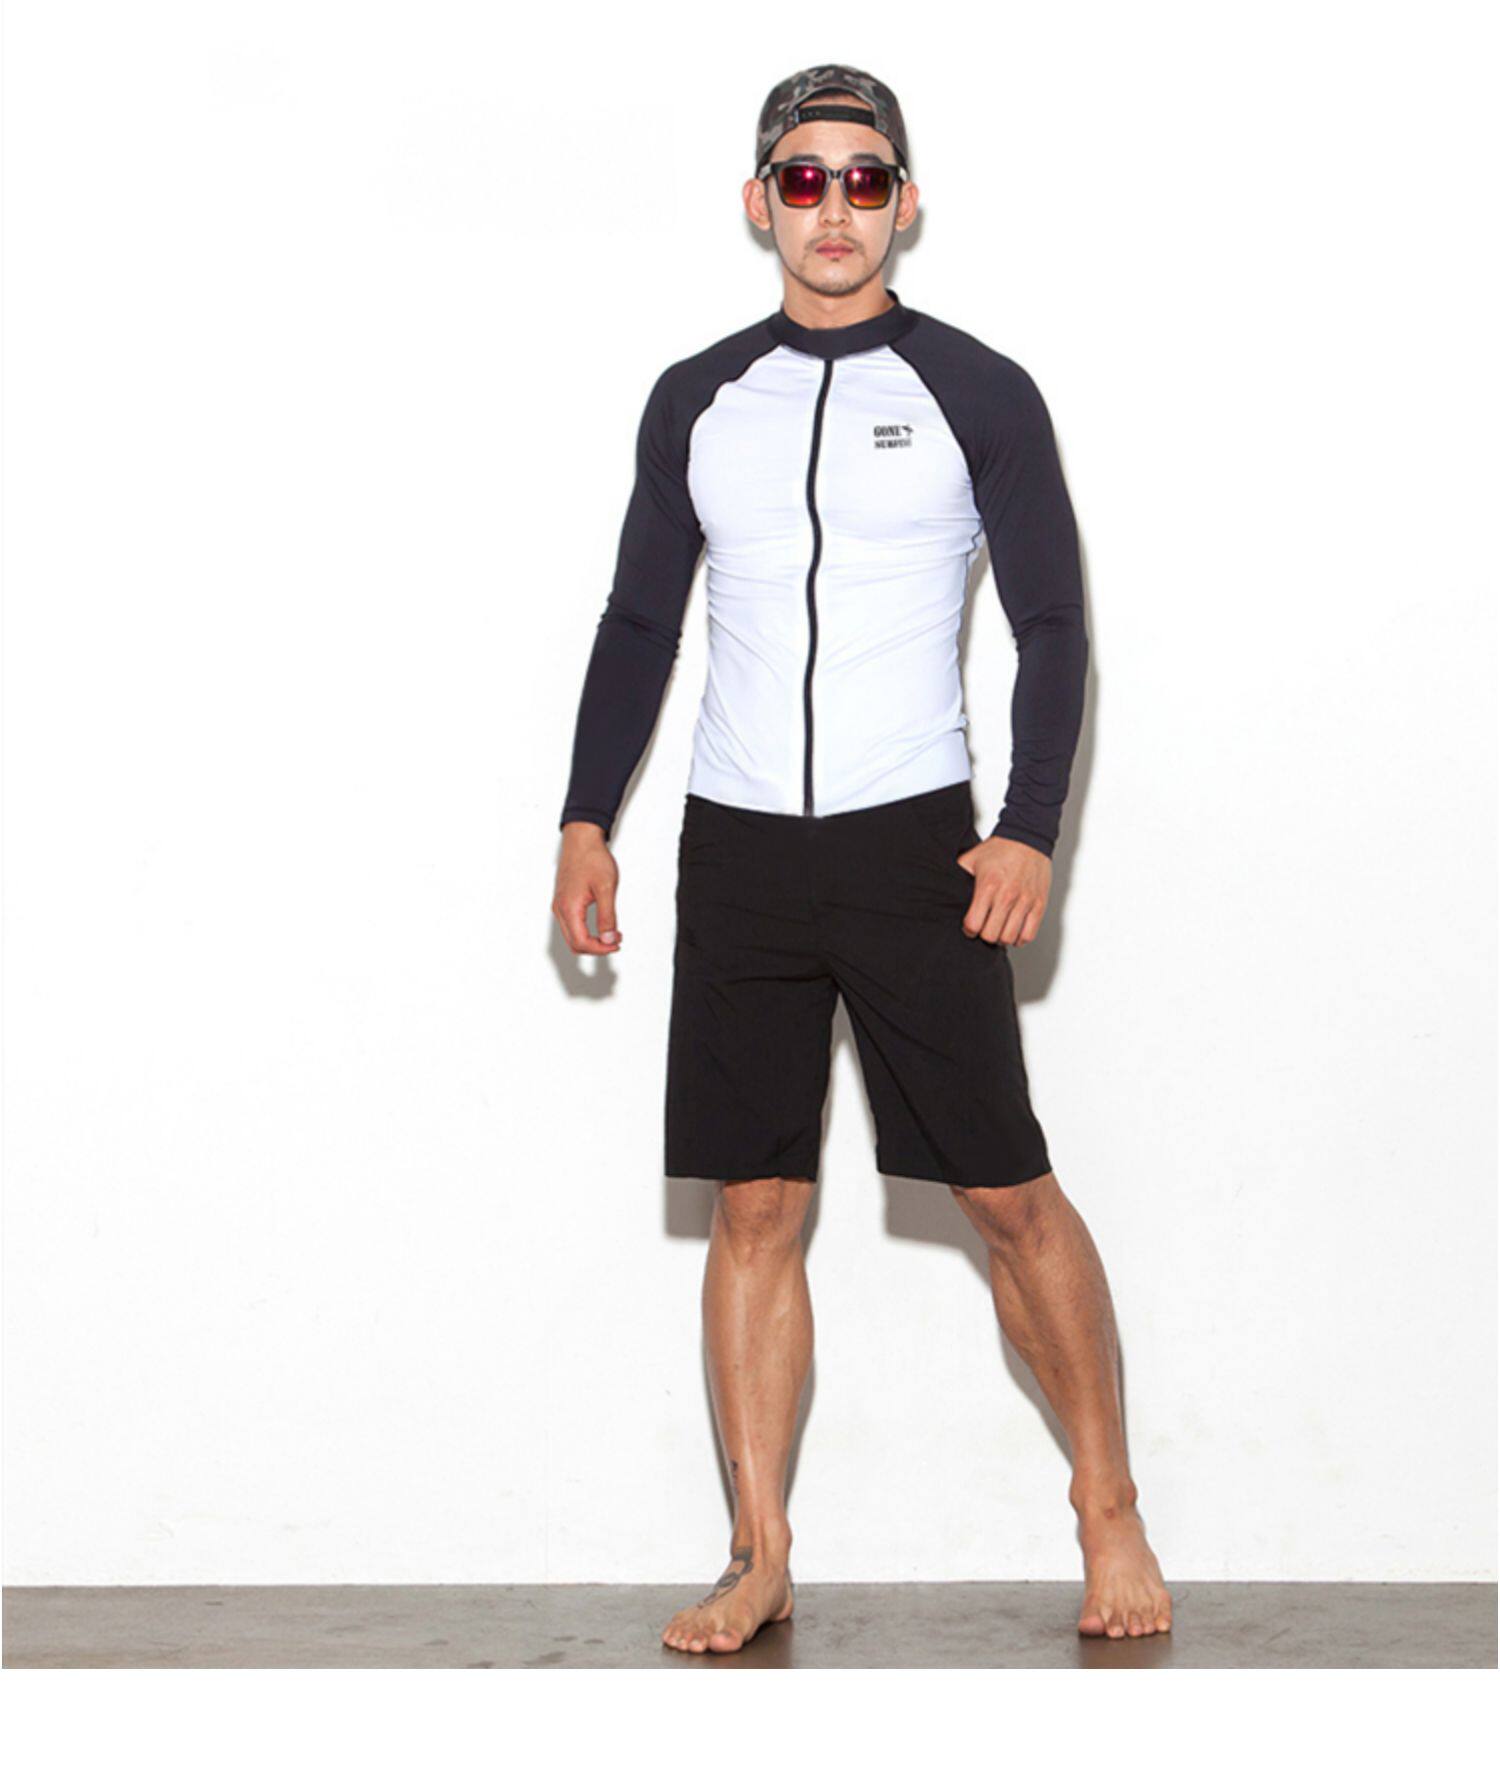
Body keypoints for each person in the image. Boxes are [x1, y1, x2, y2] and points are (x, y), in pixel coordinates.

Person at [553, 64, 1171, 1654]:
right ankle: (757, 1550)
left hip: (917, 847)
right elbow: (639, 621)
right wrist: (584, 817)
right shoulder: (698, 398)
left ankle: (1109, 1506)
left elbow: (1052, 626)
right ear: (759, 201)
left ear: (907, 202)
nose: (835, 205)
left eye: (866, 176)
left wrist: (1027, 824)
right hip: (739, 849)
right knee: (755, 1206)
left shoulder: (980, 389)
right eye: (804, 177)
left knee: (1009, 1196)